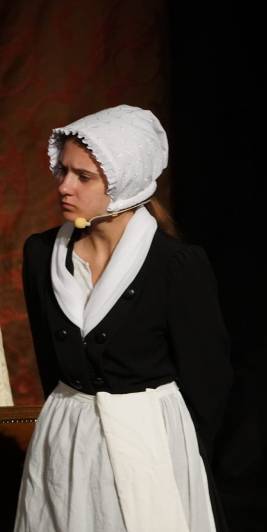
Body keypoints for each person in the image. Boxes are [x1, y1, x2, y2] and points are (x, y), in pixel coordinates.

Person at [15, 105, 233, 532]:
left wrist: (176, 448)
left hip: (150, 443)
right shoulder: (41, 254)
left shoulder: (175, 265)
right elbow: (49, 359)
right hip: (66, 436)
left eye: (83, 176)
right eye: (63, 170)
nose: (64, 186)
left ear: (123, 181)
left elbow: (209, 379)